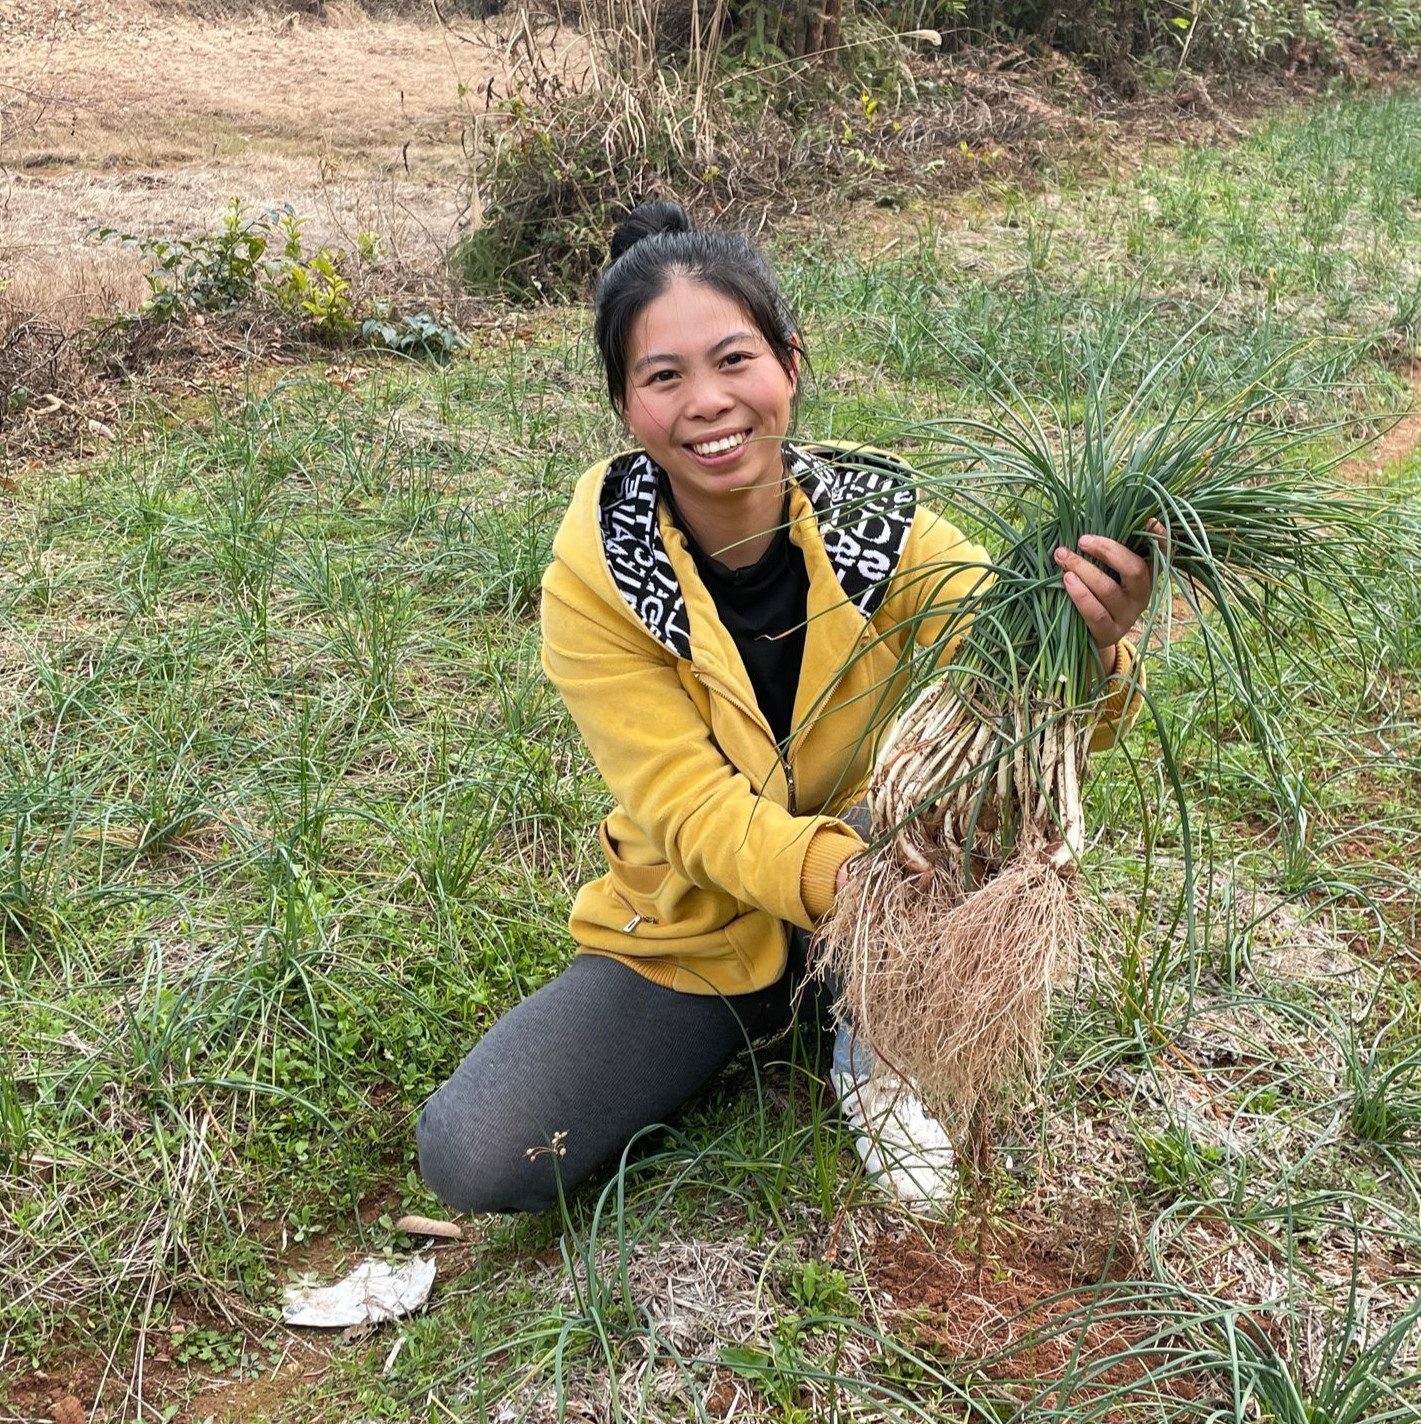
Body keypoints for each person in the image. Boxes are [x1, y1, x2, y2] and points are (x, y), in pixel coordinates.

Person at [414, 201, 1155, 1215]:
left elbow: (1029, 681)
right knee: (479, 1151)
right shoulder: (598, 576)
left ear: (790, 362)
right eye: (663, 377)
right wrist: (850, 892)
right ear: (626, 406)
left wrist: (1093, 635)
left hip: (883, 872)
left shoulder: (880, 528)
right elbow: (685, 807)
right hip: (707, 917)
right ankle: (780, 999)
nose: (709, 402)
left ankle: (869, 1030)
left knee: (977, 776)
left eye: (734, 360)